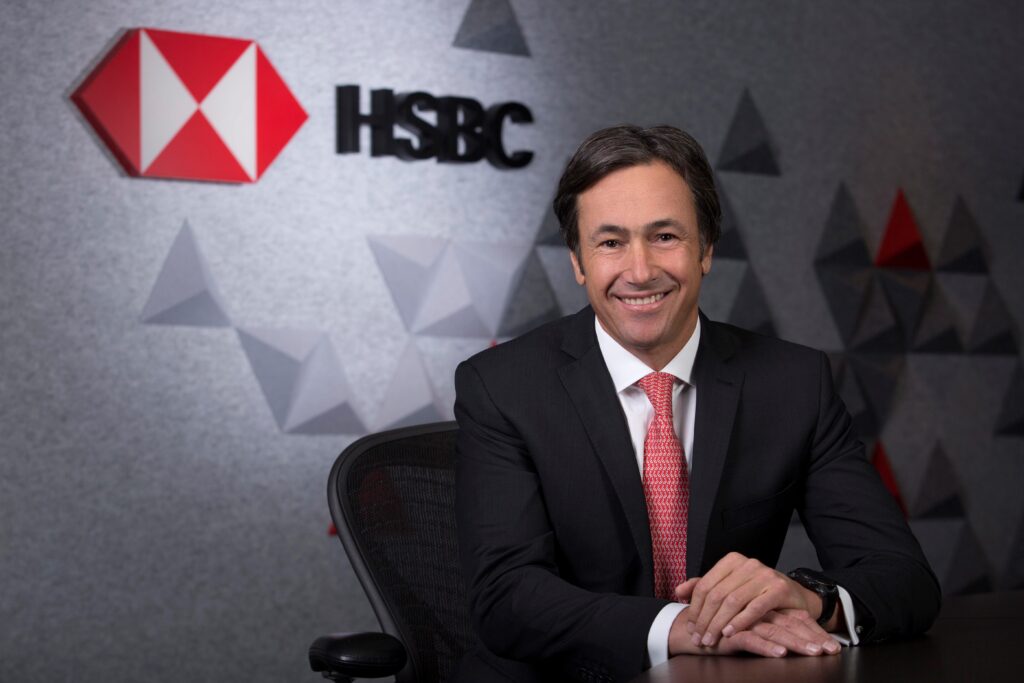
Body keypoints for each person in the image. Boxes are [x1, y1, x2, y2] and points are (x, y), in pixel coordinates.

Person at [452, 125, 940, 683]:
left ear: (706, 248)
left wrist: (806, 600)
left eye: (665, 236)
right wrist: (688, 629)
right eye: (610, 242)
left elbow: (905, 580)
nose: (640, 271)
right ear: (578, 261)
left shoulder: (794, 384)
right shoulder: (502, 386)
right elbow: (507, 597)